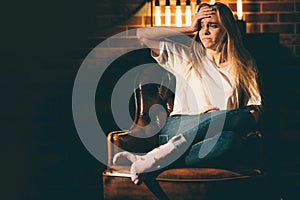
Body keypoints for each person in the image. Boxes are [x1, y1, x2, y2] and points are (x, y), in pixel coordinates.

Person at [113, 2, 262, 185]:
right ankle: (164, 151)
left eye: (213, 26)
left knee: (231, 139)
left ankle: (156, 158)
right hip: (180, 125)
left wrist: (216, 118)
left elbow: (252, 114)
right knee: (237, 119)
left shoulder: (244, 66)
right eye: (201, 26)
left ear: (226, 30)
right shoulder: (187, 56)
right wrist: (189, 28)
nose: (205, 31)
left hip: (218, 135)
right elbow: (142, 35)